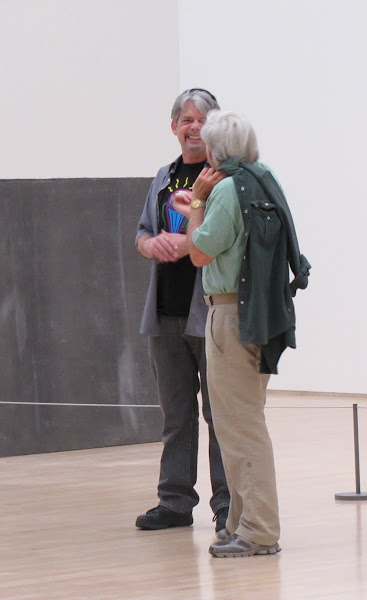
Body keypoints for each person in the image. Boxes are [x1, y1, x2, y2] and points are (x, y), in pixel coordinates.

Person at [172, 110, 310, 557]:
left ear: (217, 150)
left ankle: (259, 530)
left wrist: (197, 202)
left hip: (231, 315)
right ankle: (240, 522)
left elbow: (198, 253)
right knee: (237, 423)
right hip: (260, 315)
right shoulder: (263, 178)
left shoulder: (225, 189)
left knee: (240, 426)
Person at [134, 89, 230, 533]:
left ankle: (228, 507)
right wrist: (151, 244)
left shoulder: (224, 178)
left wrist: (188, 238)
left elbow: (222, 240)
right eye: (186, 119)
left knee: (220, 415)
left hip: (210, 314)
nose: (194, 127)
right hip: (165, 313)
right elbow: (142, 233)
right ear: (174, 126)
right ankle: (174, 503)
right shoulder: (163, 176)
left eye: (202, 119)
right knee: (176, 414)